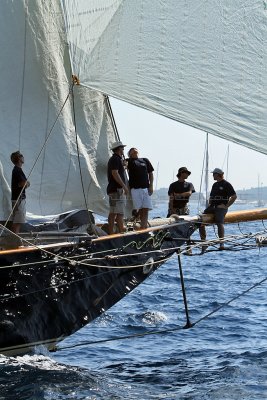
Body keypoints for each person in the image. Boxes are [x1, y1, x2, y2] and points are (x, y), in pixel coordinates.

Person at [199, 168, 237, 251]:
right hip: (213, 206)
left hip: (220, 207)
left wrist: (226, 206)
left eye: (214, 174)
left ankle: (221, 243)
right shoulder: (215, 185)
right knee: (200, 221)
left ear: (218, 174)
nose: (212, 175)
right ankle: (203, 242)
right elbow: (211, 197)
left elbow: (234, 196)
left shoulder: (226, 184)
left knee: (219, 222)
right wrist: (210, 204)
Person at [127, 147, 154, 229]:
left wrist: (151, 185)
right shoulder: (129, 161)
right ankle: (138, 222)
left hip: (145, 188)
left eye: (135, 149)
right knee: (139, 208)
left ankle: (144, 226)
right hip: (135, 189)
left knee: (145, 208)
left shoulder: (145, 160)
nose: (134, 149)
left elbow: (150, 173)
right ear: (130, 154)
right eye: (132, 150)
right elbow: (123, 165)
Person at [107, 141, 129, 234]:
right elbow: (115, 173)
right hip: (117, 190)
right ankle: (119, 233)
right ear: (119, 149)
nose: (123, 150)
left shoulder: (115, 159)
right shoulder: (116, 159)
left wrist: (123, 166)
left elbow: (116, 172)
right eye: (122, 148)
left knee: (115, 212)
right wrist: (124, 186)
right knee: (117, 213)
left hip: (114, 190)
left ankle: (113, 232)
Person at [10, 151, 30, 234]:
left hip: (17, 199)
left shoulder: (17, 170)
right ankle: (15, 240)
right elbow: (23, 183)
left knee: (17, 221)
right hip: (19, 200)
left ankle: (14, 238)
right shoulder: (17, 170)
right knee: (17, 222)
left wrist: (25, 183)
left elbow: (22, 183)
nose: (23, 156)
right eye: (21, 155)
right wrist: (27, 183)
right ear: (19, 159)